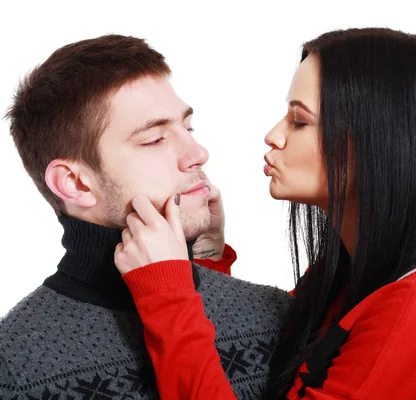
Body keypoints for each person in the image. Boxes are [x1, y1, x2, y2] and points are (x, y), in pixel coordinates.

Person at [115, 27, 416, 399]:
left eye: (299, 121)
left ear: (376, 143)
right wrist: (209, 259)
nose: (274, 135)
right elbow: (251, 361)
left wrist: (166, 292)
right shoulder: (349, 280)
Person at [0, 34, 291, 399]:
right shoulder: (13, 366)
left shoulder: (279, 318)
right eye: (154, 139)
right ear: (74, 183)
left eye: (188, 128)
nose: (198, 153)